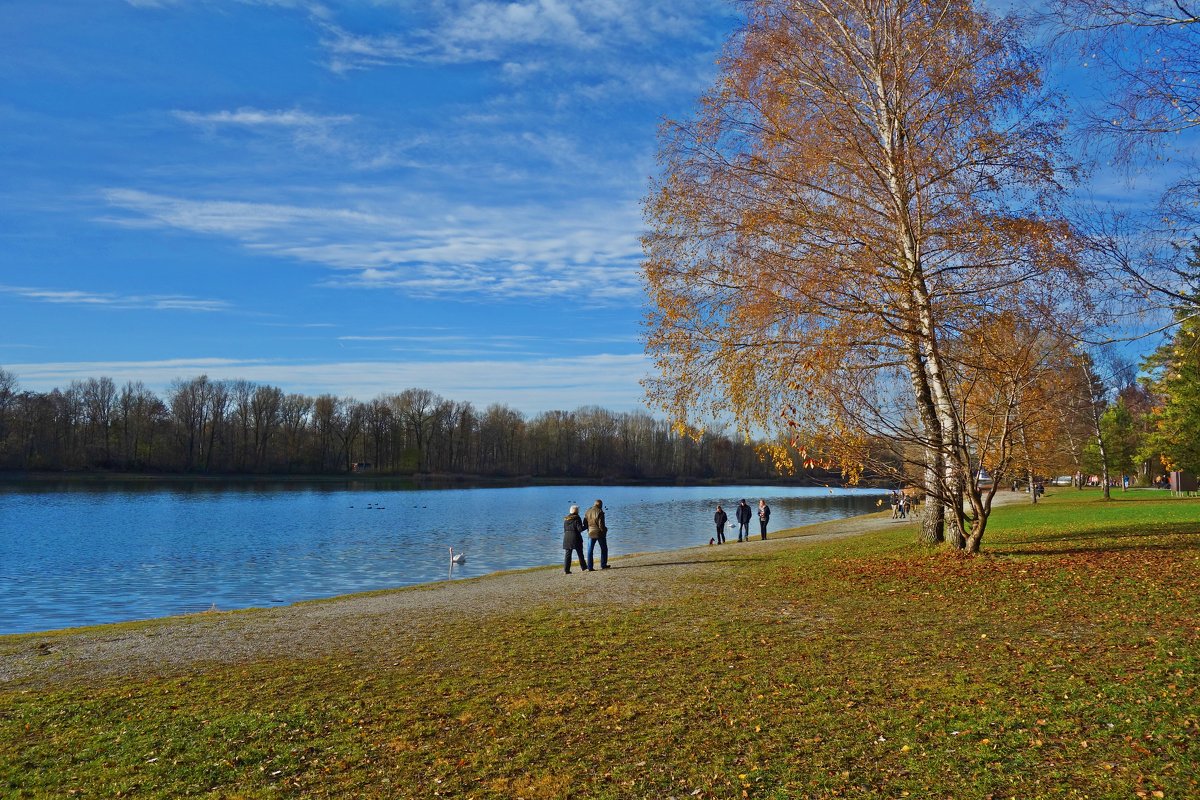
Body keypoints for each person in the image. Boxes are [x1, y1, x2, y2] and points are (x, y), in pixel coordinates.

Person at [584, 498, 609, 570]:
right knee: (604, 549)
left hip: (590, 533)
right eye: (602, 505)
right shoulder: (600, 511)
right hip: (599, 533)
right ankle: (603, 564)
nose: (602, 506)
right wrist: (604, 531)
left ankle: (589, 567)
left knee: (590, 550)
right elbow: (601, 525)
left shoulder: (588, 511)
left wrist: (588, 530)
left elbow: (585, 523)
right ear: (600, 504)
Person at [562, 504, 587, 574]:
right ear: (577, 511)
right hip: (575, 537)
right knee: (580, 553)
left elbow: (565, 529)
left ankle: (566, 570)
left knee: (568, 554)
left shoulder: (566, 519)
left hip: (566, 537)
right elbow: (580, 529)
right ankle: (584, 567)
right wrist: (586, 525)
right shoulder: (577, 518)